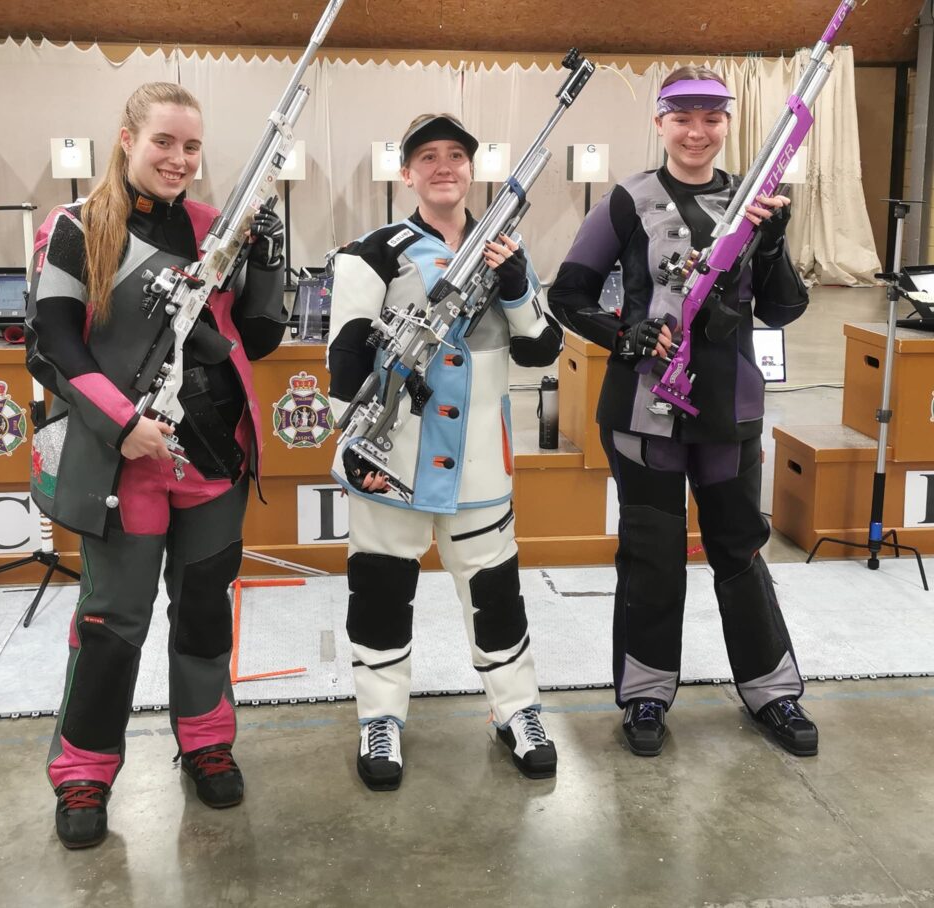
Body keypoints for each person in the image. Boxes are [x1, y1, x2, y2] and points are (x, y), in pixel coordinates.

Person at [26, 82, 287, 848]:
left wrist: (270, 254)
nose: (179, 159)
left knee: (206, 613)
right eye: (164, 142)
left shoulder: (215, 227)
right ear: (127, 139)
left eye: (192, 146)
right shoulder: (76, 228)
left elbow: (261, 337)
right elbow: (53, 343)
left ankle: (207, 741)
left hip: (212, 461)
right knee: (112, 624)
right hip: (124, 465)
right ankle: (82, 770)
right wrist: (122, 422)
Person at [547, 66, 819, 758]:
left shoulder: (756, 201)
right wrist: (623, 332)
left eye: (712, 117)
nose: (697, 131)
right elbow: (568, 292)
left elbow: (784, 308)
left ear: (728, 125)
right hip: (644, 411)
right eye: (682, 116)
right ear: (660, 123)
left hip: (729, 411)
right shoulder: (627, 199)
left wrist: (777, 238)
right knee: (651, 556)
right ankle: (645, 695)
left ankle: (771, 693)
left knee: (739, 549)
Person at [326, 113, 563, 790]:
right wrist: (354, 447)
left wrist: (516, 285)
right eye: (426, 157)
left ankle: (516, 709)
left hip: (482, 460)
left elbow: (544, 349)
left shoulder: (504, 250)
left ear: (471, 170)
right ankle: (380, 717)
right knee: (379, 589)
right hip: (393, 456)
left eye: (455, 155)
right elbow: (344, 356)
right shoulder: (371, 251)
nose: (442, 167)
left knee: (495, 592)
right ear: (406, 173)